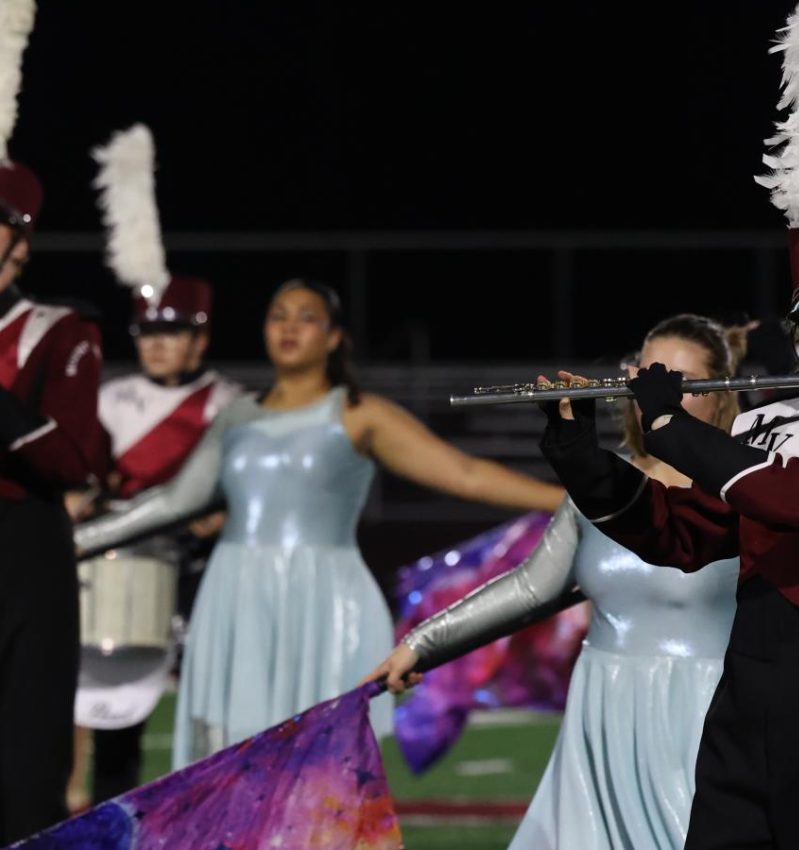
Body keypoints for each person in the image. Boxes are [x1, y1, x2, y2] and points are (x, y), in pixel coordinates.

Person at [535, 1, 799, 845]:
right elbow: (684, 532)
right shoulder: (774, 421)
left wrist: (674, 429)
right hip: (746, 695)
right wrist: (581, 456)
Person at [370, 313, 799, 850]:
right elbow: (678, 535)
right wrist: (579, 455)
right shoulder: (765, 430)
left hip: (742, 712)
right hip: (679, 718)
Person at [75, 279, 564, 769]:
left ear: (333, 337)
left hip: (326, 605)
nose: (289, 327)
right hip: (234, 600)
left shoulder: (358, 413)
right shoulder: (236, 415)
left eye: (305, 317)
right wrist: (71, 542)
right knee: (227, 773)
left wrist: (577, 497)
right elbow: (172, 503)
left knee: (319, 778)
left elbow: (466, 475)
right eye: (278, 315)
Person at [69, 275, 242, 808]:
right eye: (146, 333)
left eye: (171, 332)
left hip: (200, 571)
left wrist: (221, 513)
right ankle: (108, 818)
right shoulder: (108, 399)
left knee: (212, 708)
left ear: (200, 340)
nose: (156, 344)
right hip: (123, 570)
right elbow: (81, 480)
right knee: (114, 708)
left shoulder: (229, 404)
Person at [0, 159, 107, 841]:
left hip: (19, 555)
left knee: (22, 782)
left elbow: (73, 460)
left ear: (19, 244)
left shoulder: (60, 331)